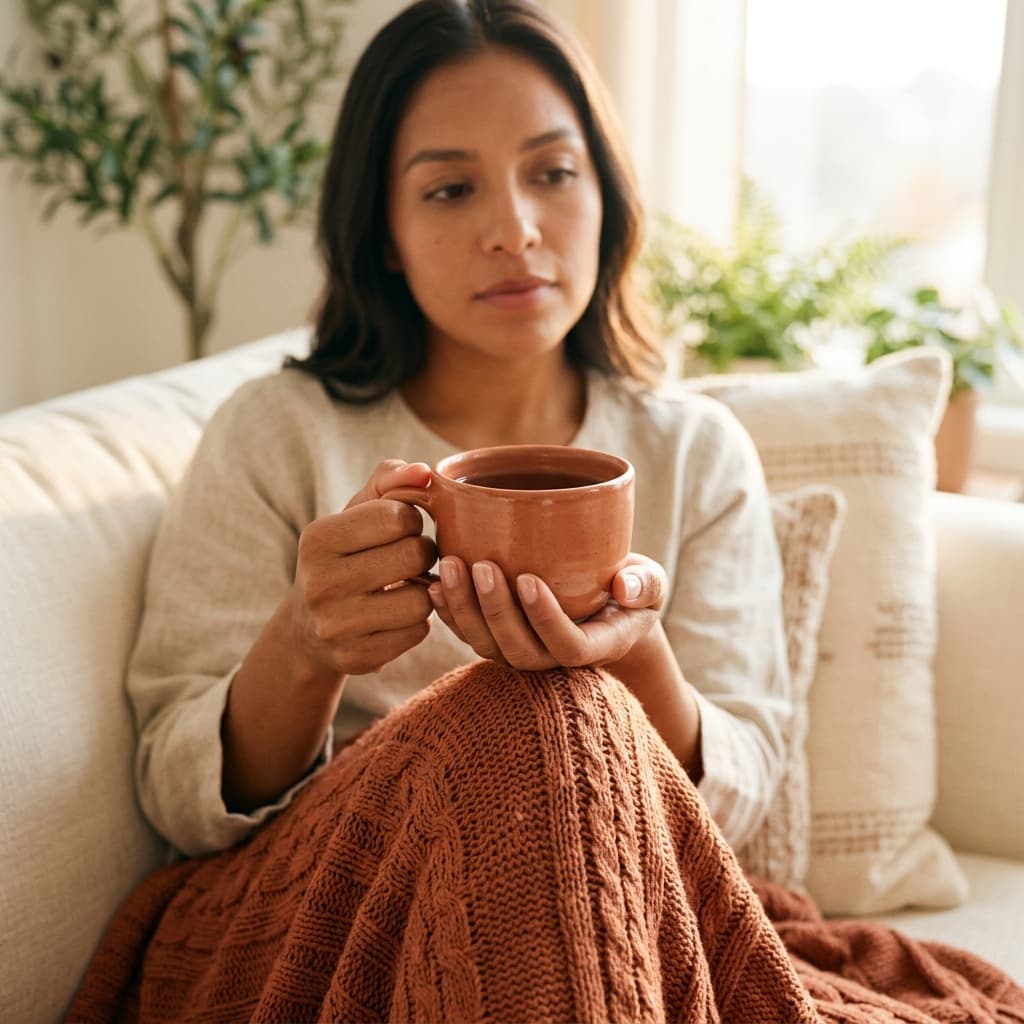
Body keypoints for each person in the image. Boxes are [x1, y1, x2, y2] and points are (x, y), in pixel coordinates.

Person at [66, 2, 1024, 1022]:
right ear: (382, 234)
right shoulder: (276, 434)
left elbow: (735, 802)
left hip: (618, 888)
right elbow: (177, 788)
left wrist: (632, 655)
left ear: (605, 197)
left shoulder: (693, 455)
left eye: (553, 174)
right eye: (449, 188)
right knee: (521, 712)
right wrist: (305, 643)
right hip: (332, 913)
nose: (514, 228)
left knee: (559, 708)